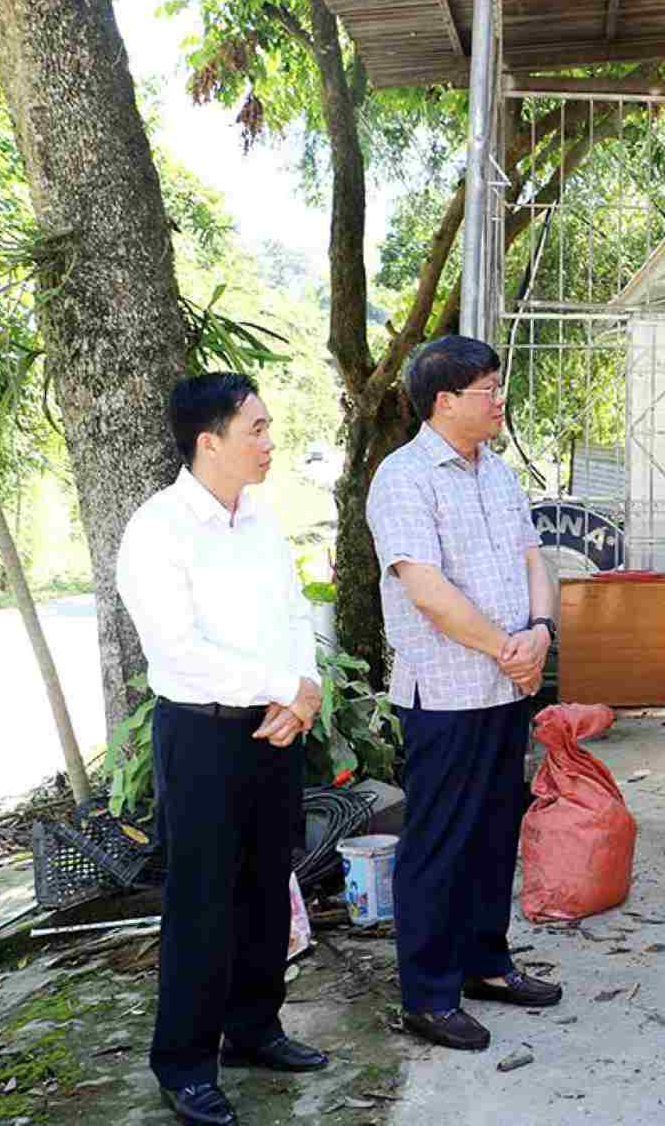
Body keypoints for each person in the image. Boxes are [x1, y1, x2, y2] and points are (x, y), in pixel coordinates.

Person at [117, 373, 330, 1126]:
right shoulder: (158, 529)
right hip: (203, 730)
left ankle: (254, 1027)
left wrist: (303, 688)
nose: (271, 443)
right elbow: (178, 648)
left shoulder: (262, 522)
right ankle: (184, 1061)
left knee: (269, 883)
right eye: (258, 430)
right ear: (210, 442)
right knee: (202, 900)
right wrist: (285, 685)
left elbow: (296, 611)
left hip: (274, 726)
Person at [366, 335, 562, 1054]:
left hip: (507, 686)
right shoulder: (404, 477)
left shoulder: (497, 474)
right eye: (489, 389)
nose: (499, 400)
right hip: (446, 693)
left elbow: (533, 558)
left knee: (493, 834)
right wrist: (506, 649)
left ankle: (487, 963)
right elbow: (426, 590)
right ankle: (428, 992)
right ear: (445, 401)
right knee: (439, 843)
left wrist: (540, 630)